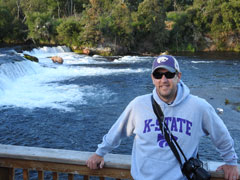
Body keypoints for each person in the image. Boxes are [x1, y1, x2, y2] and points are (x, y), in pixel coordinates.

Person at [86, 55, 239, 180]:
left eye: (169, 74)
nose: (164, 80)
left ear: (178, 77)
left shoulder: (199, 106)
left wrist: (231, 162)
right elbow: (117, 131)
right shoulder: (138, 105)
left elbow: (221, 135)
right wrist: (100, 153)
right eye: (158, 75)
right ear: (153, 78)